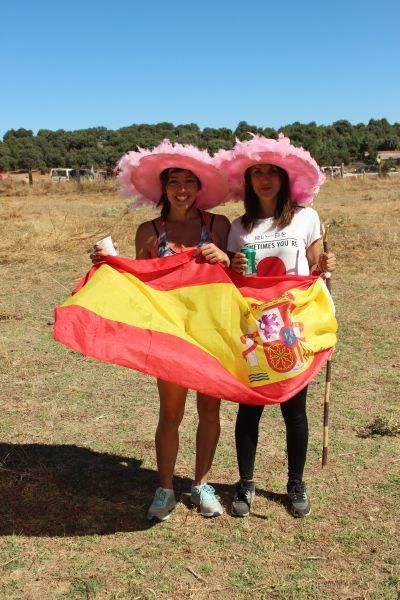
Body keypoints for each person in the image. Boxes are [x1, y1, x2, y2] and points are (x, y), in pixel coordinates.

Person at [92, 140, 231, 521]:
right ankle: (165, 488)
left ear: (199, 187)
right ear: (163, 188)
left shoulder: (218, 225)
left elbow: (238, 273)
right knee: (170, 413)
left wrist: (226, 256)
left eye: (189, 181)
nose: (182, 189)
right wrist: (109, 265)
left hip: (212, 332)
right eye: (174, 182)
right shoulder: (149, 231)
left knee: (210, 410)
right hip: (170, 337)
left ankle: (202, 485)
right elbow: (140, 284)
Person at [215, 133, 336, 518]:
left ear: (284, 179)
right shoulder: (240, 226)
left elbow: (316, 266)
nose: (265, 179)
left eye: (272, 172)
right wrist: (232, 264)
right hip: (253, 329)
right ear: (248, 181)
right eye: (257, 173)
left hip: (292, 328)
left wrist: (326, 266)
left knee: (293, 409)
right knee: (249, 408)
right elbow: (233, 278)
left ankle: (295, 482)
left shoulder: (306, 217)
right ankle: (246, 482)